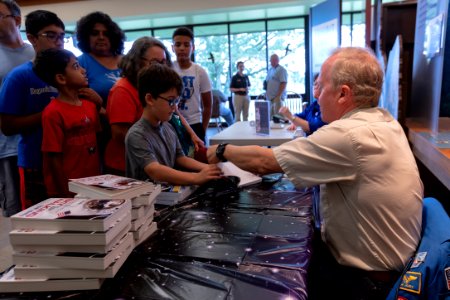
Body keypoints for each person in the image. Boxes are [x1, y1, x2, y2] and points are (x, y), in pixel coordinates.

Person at [207, 47, 423, 299]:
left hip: (364, 281)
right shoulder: (385, 122)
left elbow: (262, 163)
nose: (317, 96)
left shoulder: (349, 135)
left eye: (320, 86)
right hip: (386, 266)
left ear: (343, 94)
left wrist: (221, 150)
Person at [105, 36, 203, 175]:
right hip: (128, 168)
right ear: (137, 61)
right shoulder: (123, 89)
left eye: (163, 62)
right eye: (155, 62)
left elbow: (174, 113)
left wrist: (190, 134)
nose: (160, 66)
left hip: (157, 162)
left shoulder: (156, 88)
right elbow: (119, 133)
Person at [0, 10, 65, 208]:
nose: (58, 41)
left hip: (68, 158)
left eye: (61, 36)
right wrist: (49, 113)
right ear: (32, 38)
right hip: (34, 160)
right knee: (36, 222)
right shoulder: (19, 77)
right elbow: (8, 126)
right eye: (50, 35)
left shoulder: (72, 72)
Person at [125, 63, 222, 185]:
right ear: (150, 99)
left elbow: (180, 158)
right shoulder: (137, 135)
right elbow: (154, 170)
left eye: (177, 101)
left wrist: (207, 168)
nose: (175, 107)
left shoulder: (168, 127)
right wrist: (195, 178)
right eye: (171, 101)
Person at [33, 48, 101, 197]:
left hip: (92, 183)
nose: (83, 70)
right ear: (61, 78)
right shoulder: (53, 112)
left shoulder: (89, 105)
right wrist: (64, 192)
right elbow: (53, 156)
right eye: (76, 66)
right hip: (68, 188)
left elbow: (97, 141)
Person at [76, 11, 125, 168]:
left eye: (106, 33)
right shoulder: (80, 63)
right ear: (86, 37)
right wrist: (102, 108)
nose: (101, 37)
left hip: (130, 129)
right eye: (95, 33)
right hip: (101, 133)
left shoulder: (127, 61)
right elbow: (82, 100)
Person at [0, 0, 34, 216]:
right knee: (17, 212)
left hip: (37, 142)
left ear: (17, 20)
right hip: (6, 146)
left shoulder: (34, 53)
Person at [172, 26, 212, 143]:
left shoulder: (200, 71)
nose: (182, 48)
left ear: (193, 48)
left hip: (195, 123)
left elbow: (208, 105)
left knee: (196, 156)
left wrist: (203, 129)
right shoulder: (168, 68)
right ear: (173, 48)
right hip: (175, 121)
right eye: (178, 45)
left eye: (186, 45)